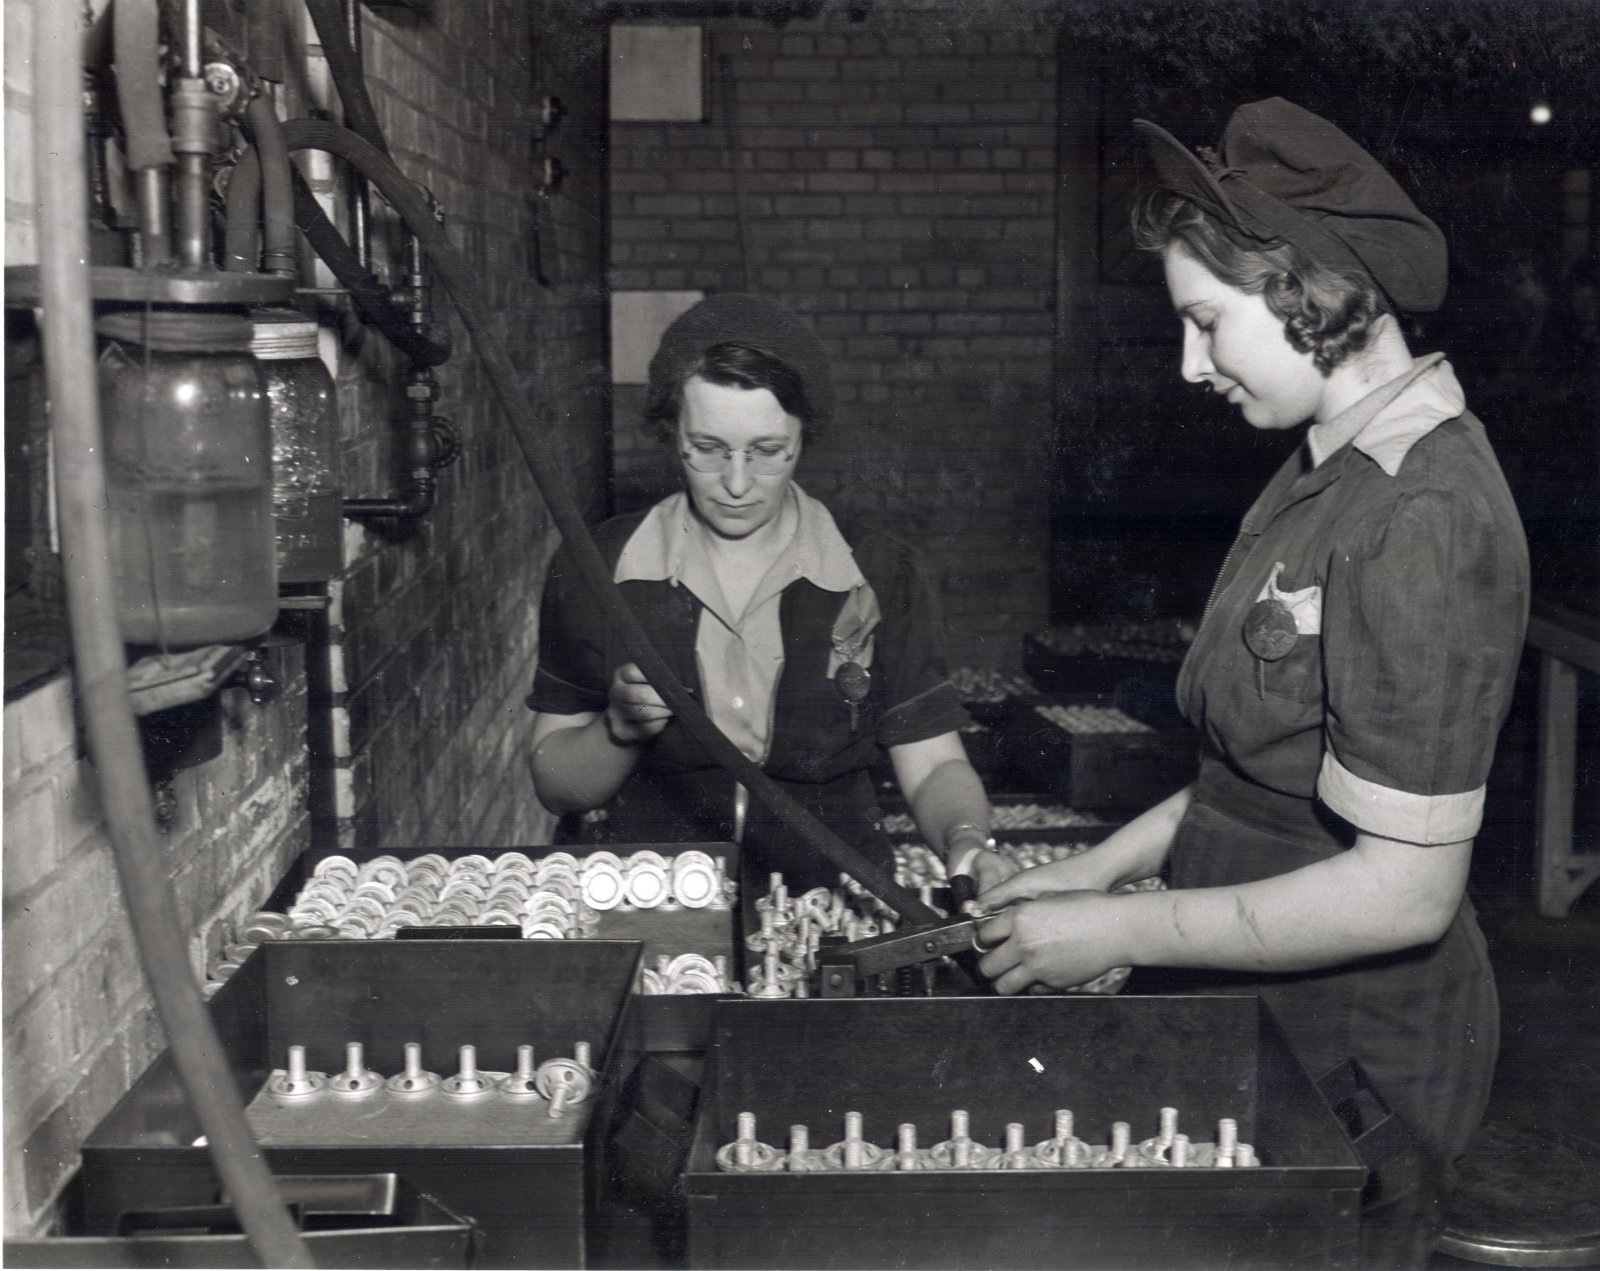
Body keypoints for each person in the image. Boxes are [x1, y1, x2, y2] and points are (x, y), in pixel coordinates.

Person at [974, 99, 1529, 1267]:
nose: (1190, 364)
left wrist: (1115, 924)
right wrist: (1099, 863)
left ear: (1305, 293)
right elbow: (1255, 766)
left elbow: (1404, 893)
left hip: (1351, 1059)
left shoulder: (1422, 512)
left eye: (1206, 322)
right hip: (1249, 1009)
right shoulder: (1319, 473)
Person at [527, 294, 1006, 894]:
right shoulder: (595, 567)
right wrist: (617, 731)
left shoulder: (882, 573)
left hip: (831, 904)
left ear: (804, 438)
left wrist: (966, 841)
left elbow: (933, 759)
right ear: (670, 432)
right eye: (707, 449)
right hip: (649, 902)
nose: (735, 483)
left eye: (766, 452)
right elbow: (554, 781)